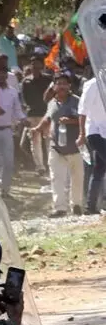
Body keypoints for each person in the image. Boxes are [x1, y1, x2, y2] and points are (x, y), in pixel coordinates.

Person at [30, 72, 83, 217]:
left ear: (69, 86)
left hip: (76, 147)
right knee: (56, 177)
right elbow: (47, 119)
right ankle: (60, 208)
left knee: (76, 178)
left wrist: (70, 121)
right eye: (58, 84)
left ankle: (77, 206)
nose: (62, 86)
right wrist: (37, 129)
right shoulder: (52, 103)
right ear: (54, 86)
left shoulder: (77, 101)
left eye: (64, 83)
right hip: (56, 146)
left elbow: (84, 120)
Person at [0, 65, 25, 198]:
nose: (2, 76)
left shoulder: (12, 91)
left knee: (8, 162)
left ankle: (5, 190)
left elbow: (17, 110)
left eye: (4, 73)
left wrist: (23, 119)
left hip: (6, 130)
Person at [78, 74, 106, 214]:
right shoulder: (92, 84)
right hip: (95, 132)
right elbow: (82, 111)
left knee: (99, 170)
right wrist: (82, 134)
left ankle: (90, 207)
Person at [20, 55, 52, 175]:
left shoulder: (48, 80)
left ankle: (50, 164)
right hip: (32, 114)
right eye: (33, 65)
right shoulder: (26, 81)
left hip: (46, 114)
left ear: (42, 66)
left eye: (38, 65)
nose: (35, 67)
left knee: (49, 140)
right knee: (35, 142)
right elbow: (23, 99)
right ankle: (40, 167)